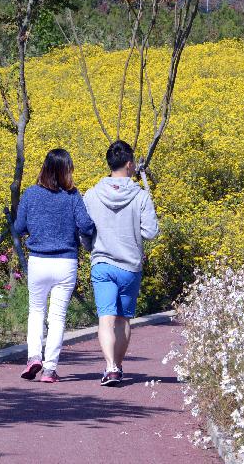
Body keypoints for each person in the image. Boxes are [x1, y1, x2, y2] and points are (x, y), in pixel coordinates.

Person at [13, 149, 95, 383]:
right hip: (66, 262)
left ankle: (33, 358)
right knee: (57, 317)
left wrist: (38, 228)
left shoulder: (30, 194)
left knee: (36, 311)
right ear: (66, 170)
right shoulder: (72, 196)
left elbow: (19, 228)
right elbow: (86, 226)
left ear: (45, 167)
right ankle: (49, 370)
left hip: (38, 260)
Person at [83, 140, 159, 386]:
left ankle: (110, 367)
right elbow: (150, 232)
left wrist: (89, 247)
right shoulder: (140, 195)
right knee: (124, 319)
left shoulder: (92, 194)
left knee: (106, 317)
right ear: (129, 164)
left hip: (102, 263)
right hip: (129, 266)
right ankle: (118, 367)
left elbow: (84, 230)